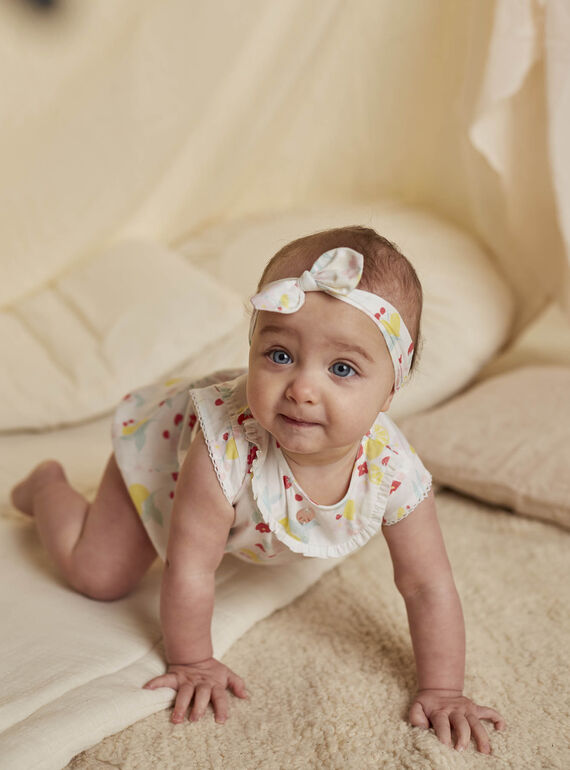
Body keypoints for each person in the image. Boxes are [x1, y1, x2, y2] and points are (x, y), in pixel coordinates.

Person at [11, 226, 505, 753]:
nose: (302, 389)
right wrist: (193, 659)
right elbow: (191, 565)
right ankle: (47, 487)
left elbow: (427, 585)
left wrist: (443, 689)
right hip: (160, 455)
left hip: (242, 505)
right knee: (100, 575)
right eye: (279, 355)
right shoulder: (222, 443)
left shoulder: (393, 469)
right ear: (252, 346)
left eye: (342, 368)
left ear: (391, 388)